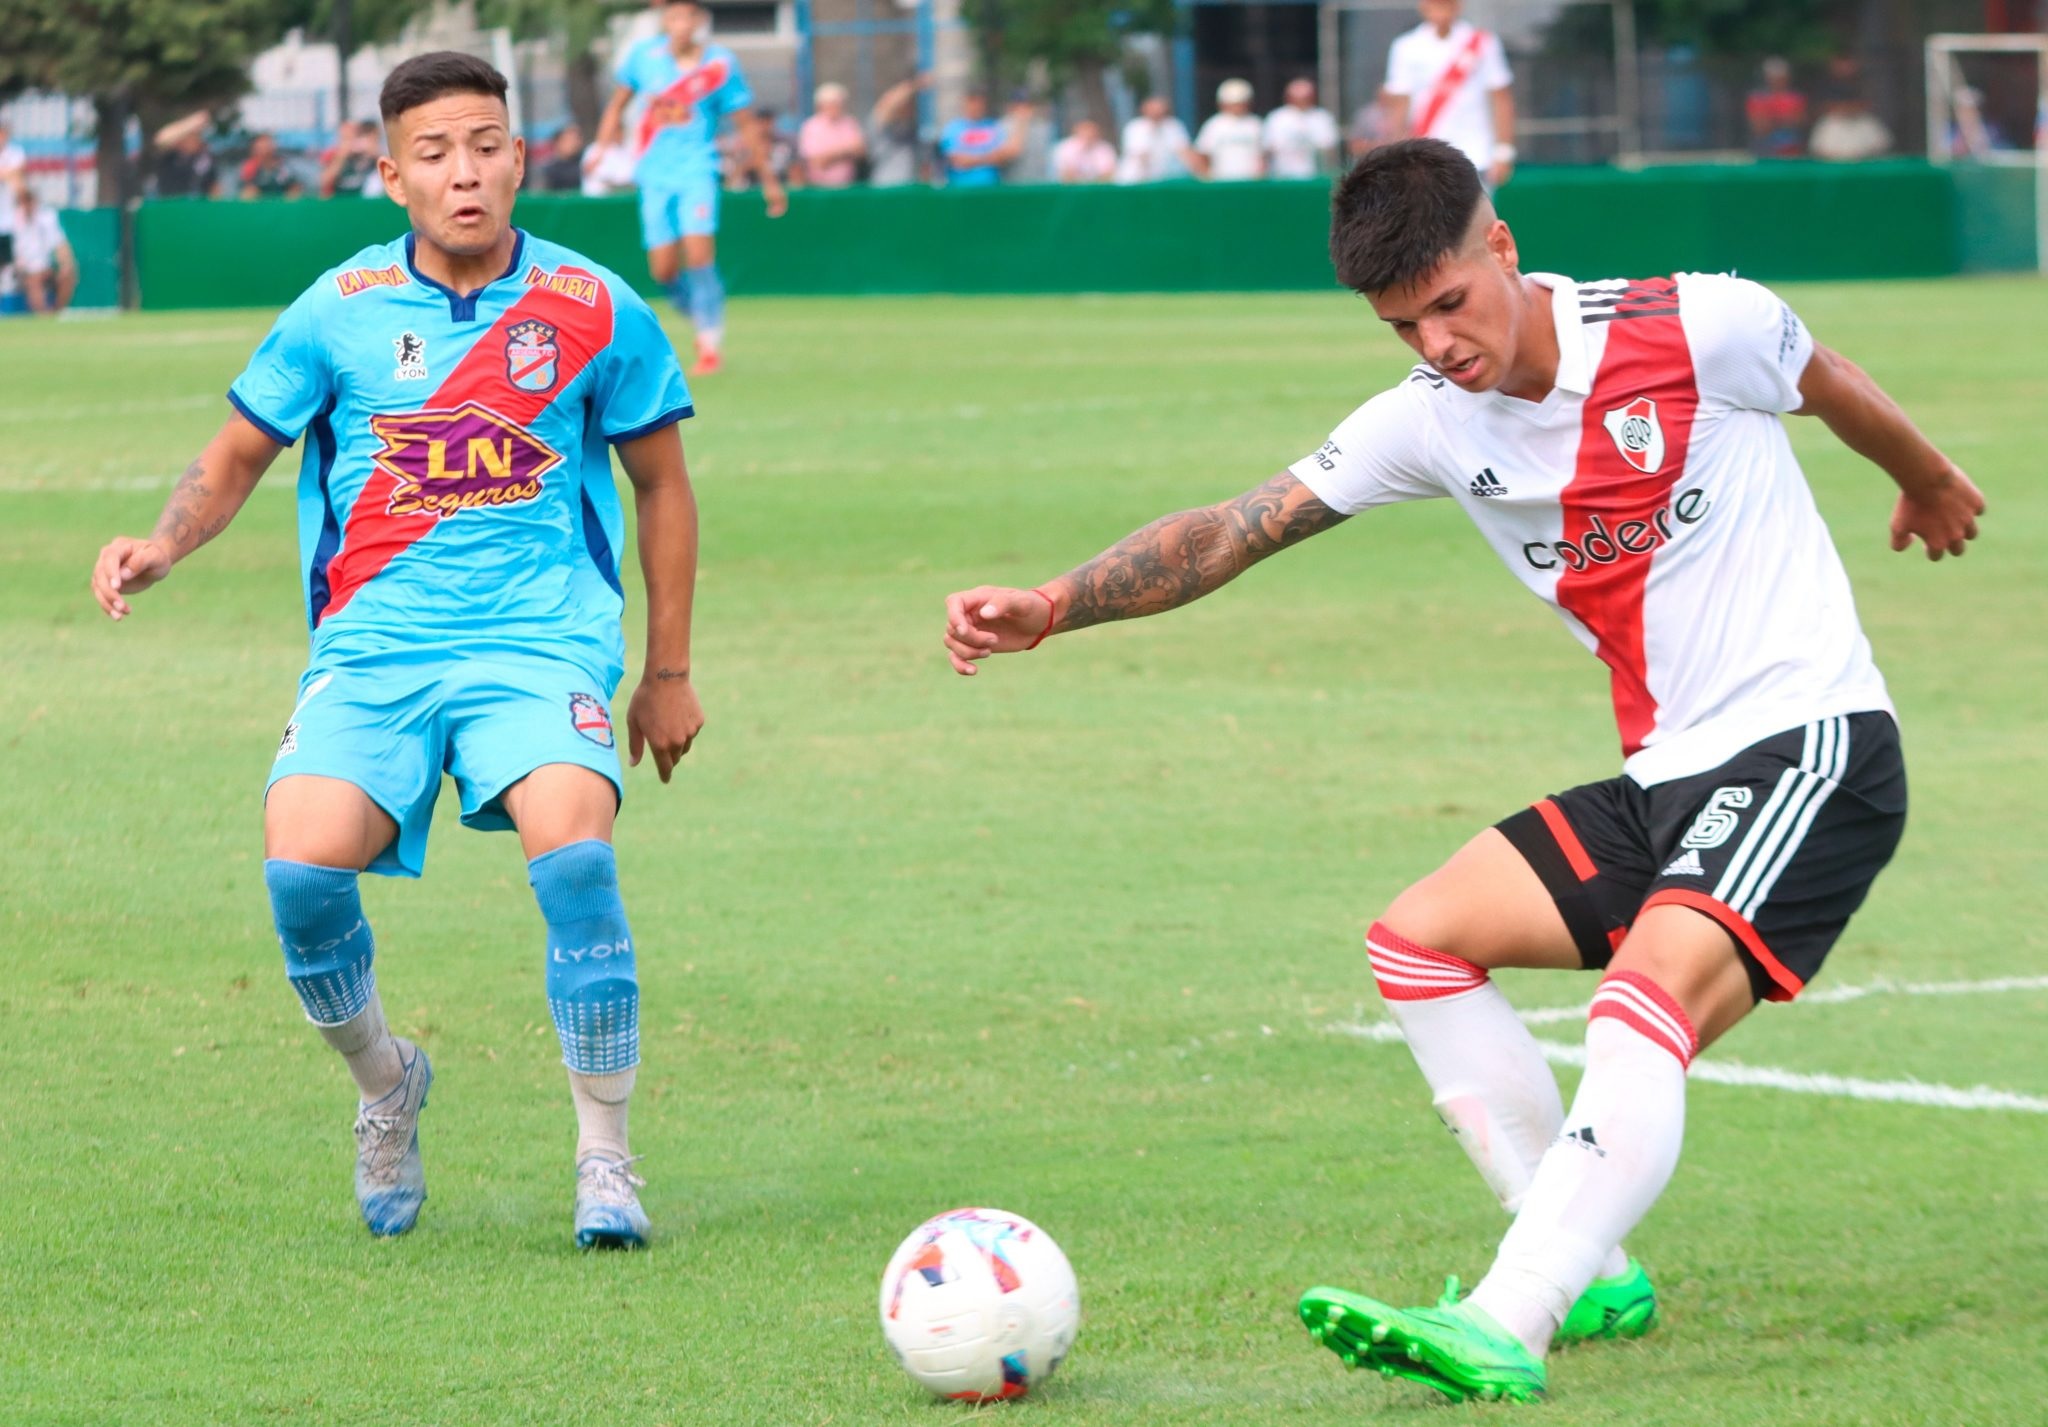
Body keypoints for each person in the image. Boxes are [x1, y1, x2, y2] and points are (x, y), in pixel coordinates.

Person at [940, 137, 1984, 1405]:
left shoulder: (1696, 322)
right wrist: (1050, 602)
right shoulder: (1429, 424)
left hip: (1810, 744)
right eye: (1401, 325)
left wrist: (1924, 479)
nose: (1435, 342)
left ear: (1502, 247)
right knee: (1419, 938)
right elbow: (1230, 528)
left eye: (1447, 303)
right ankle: (1589, 1262)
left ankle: (1514, 1308)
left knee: (1636, 1001)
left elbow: (1824, 381)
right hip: (1670, 779)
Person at [89, 51, 704, 1252]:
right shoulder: (339, 309)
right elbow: (230, 461)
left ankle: (606, 1159)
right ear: (391, 174)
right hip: (373, 651)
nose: (464, 172)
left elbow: (663, 486)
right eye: (434, 153)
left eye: (485, 145)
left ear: (520, 157)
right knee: (301, 876)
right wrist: (164, 542)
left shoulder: (594, 305)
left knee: (575, 853)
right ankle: (386, 1082)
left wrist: (666, 669)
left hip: (540, 645)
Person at [596, 0, 787, 375]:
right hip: (653, 174)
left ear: (699, 20)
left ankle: (709, 340)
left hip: (697, 170)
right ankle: (699, 313)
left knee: (699, 256)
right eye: (672, 16)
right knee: (663, 269)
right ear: (664, 20)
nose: (680, 24)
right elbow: (617, 105)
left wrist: (769, 181)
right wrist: (601, 149)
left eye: (686, 16)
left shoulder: (719, 64)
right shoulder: (643, 56)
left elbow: (746, 123)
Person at [1384, 0, 1516, 189]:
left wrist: (1503, 152)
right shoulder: (1406, 46)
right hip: (1427, 158)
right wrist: (1397, 156)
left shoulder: (1482, 42)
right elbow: (1399, 105)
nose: (1440, 9)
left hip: (1476, 155)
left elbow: (1500, 97)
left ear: (1458, 5)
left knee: (1477, 217)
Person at [6, 180, 77, 316]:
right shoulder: (12, 221)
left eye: (29, 200)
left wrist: (65, 265)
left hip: (46, 267)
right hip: (24, 269)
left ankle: (56, 312)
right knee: (34, 279)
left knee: (68, 274)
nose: (27, 205)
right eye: (23, 201)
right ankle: (43, 315)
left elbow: (60, 244)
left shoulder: (47, 218)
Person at [1809, 58, 1892, 162]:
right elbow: (1819, 151)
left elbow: (1881, 147)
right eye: (1844, 103)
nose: (1848, 106)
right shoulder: (1827, 123)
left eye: (1851, 103)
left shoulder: (1869, 122)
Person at [1264, 77, 1340, 179]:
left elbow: (1329, 147)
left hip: (1315, 175)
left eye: (1305, 98)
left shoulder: (1322, 117)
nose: (1301, 102)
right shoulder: (1277, 118)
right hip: (1282, 176)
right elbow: (1269, 147)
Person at [938, 90, 1013, 188]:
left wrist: (972, 160)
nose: (976, 107)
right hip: (961, 188)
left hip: (991, 187)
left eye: (980, 103)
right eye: (972, 102)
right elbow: (958, 161)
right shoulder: (952, 128)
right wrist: (988, 158)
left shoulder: (994, 126)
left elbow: (1002, 156)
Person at [1193, 79, 1264, 180]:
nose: (1237, 107)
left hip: (1250, 182)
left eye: (1241, 103)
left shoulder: (1255, 124)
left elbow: (1263, 155)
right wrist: (1208, 177)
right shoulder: (1214, 125)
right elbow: (1202, 154)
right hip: (1222, 182)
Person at [798, 84, 866, 188]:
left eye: (839, 103)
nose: (836, 107)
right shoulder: (811, 126)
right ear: (821, 105)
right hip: (820, 188)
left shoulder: (850, 122)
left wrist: (832, 155)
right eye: (832, 103)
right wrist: (846, 151)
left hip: (849, 186)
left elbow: (860, 151)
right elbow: (818, 162)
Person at [868, 74, 929, 187]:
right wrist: (915, 85)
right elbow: (889, 105)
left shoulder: (911, 126)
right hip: (886, 184)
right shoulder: (880, 123)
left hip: (910, 185)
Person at [1115, 95, 1194, 184]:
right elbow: (1141, 156)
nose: (1157, 113)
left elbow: (1185, 151)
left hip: (1167, 179)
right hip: (1136, 180)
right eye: (1153, 110)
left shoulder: (1174, 126)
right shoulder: (1135, 127)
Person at [1745, 57, 1809, 158]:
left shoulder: (1795, 98)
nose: (1777, 81)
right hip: (1764, 149)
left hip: (1791, 148)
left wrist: (1772, 119)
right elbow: (1758, 127)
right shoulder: (1757, 98)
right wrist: (1785, 119)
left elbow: (1800, 121)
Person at [150, 111, 221, 198]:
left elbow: (214, 189)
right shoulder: (169, 156)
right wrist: (190, 124)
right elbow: (160, 140)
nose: (196, 139)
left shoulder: (205, 158)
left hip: (196, 208)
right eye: (191, 135)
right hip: (169, 206)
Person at [319, 120, 383, 197]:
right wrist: (341, 157)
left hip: (364, 199)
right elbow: (324, 182)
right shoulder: (332, 154)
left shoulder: (368, 155)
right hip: (339, 199)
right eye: (345, 138)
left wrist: (375, 154)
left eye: (353, 137)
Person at [239, 133, 303, 199]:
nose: (263, 150)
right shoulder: (250, 167)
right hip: (259, 205)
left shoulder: (284, 167)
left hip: (281, 203)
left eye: (267, 146)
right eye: (259, 148)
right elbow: (245, 190)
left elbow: (295, 187)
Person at [1051, 119, 1117, 184]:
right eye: (1085, 132)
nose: (1089, 135)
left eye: (1091, 132)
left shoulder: (1105, 148)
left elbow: (1108, 175)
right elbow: (1065, 175)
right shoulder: (1065, 148)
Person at [538, 123, 588, 192]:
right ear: (557, 142)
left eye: (576, 139)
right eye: (568, 140)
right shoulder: (548, 169)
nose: (573, 143)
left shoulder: (585, 162)